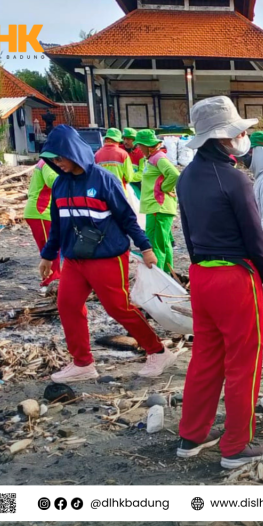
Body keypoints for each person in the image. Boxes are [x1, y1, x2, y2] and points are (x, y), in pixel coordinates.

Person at [175, 96, 263, 468]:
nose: (243, 136)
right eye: (239, 131)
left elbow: (188, 232)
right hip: (235, 279)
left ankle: (191, 435)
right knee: (242, 363)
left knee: (205, 358)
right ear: (226, 138)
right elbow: (255, 238)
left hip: (201, 275)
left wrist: (199, 267)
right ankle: (235, 446)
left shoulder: (186, 177)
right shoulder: (235, 178)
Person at [38, 125, 172, 383]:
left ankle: (158, 351)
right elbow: (57, 224)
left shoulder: (103, 180)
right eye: (52, 159)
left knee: (118, 308)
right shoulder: (60, 184)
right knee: (67, 305)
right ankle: (83, 363)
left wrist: (145, 248)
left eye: (59, 158)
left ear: (72, 153)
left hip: (108, 257)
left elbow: (127, 218)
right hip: (75, 260)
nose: (57, 163)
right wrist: (48, 255)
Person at [135, 129, 180, 274]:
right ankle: (168, 274)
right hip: (159, 207)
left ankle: (159, 277)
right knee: (164, 243)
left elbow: (174, 174)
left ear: (147, 146)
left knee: (155, 245)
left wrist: (164, 187)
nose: (138, 148)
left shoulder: (158, 158)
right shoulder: (153, 158)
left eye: (140, 145)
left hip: (157, 207)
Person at [24, 159, 61, 288]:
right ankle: (51, 280)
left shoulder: (46, 161)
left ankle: (54, 279)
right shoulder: (48, 163)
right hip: (41, 211)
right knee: (50, 249)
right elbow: (52, 180)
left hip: (43, 212)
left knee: (54, 248)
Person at [94, 128, 135, 193]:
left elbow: (95, 176)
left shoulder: (97, 154)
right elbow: (129, 177)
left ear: (106, 139)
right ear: (118, 141)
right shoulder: (123, 154)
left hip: (102, 192)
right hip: (119, 192)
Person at [122, 128, 145, 198]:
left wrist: (128, 178)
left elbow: (142, 173)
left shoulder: (141, 153)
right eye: (124, 139)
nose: (125, 142)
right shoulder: (120, 151)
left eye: (128, 139)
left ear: (135, 140)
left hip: (136, 185)